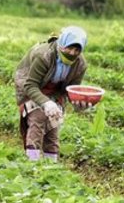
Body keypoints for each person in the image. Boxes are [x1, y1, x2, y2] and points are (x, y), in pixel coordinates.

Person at [13, 25, 90, 161]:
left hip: (55, 93)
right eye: (69, 48)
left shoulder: (80, 64)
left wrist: (80, 103)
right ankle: (32, 163)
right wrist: (46, 103)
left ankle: (51, 166)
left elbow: (71, 89)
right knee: (37, 119)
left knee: (53, 127)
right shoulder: (44, 56)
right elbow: (30, 85)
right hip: (31, 87)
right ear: (62, 43)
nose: (72, 53)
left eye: (77, 50)